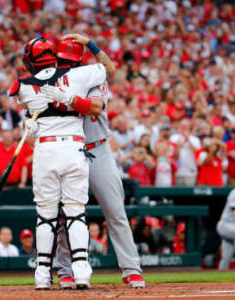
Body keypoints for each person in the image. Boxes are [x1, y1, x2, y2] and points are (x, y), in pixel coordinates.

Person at [9, 36, 107, 289]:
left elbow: (28, 122)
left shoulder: (23, 85)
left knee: (46, 216)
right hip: (73, 147)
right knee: (76, 213)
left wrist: (28, 122)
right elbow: (108, 68)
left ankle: (42, 274)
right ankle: (81, 271)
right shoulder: (80, 75)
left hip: (45, 149)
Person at [50, 35, 145, 288]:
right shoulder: (55, 77)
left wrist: (90, 42)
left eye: (69, 61)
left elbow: (94, 105)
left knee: (115, 211)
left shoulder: (91, 75)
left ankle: (131, 269)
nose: (66, 65)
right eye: (62, 61)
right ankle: (65, 270)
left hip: (98, 150)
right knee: (64, 216)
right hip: (69, 151)